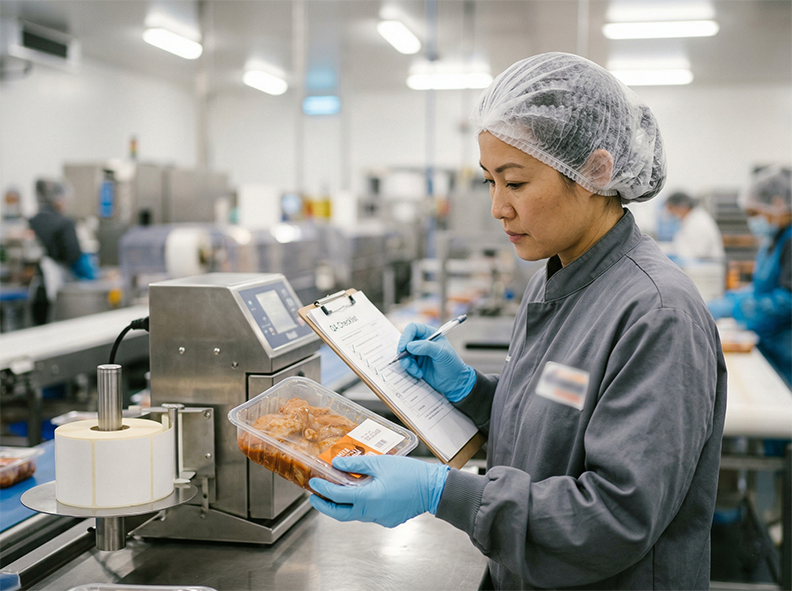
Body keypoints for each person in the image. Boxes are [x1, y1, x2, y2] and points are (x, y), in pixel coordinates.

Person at [308, 52, 726, 590]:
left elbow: (613, 519)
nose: (497, 207)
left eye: (516, 182)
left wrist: (442, 491)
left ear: (596, 172)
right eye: (489, 182)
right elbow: (556, 424)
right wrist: (470, 392)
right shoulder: (556, 277)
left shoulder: (657, 314)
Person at [708, 165, 792, 386]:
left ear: (778, 203)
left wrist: (740, 307)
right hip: (771, 344)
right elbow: (763, 287)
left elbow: (788, 301)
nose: (752, 221)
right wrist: (734, 298)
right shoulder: (775, 238)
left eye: (754, 213)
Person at [28, 179, 97, 323]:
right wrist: (91, 275)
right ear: (59, 200)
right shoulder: (64, 223)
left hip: (36, 288)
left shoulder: (33, 221)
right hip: (56, 285)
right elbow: (74, 256)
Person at [665, 190, 726, 261]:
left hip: (706, 267)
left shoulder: (699, 222)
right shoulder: (689, 220)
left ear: (682, 206)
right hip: (695, 265)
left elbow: (697, 253)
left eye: (671, 209)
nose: (672, 214)